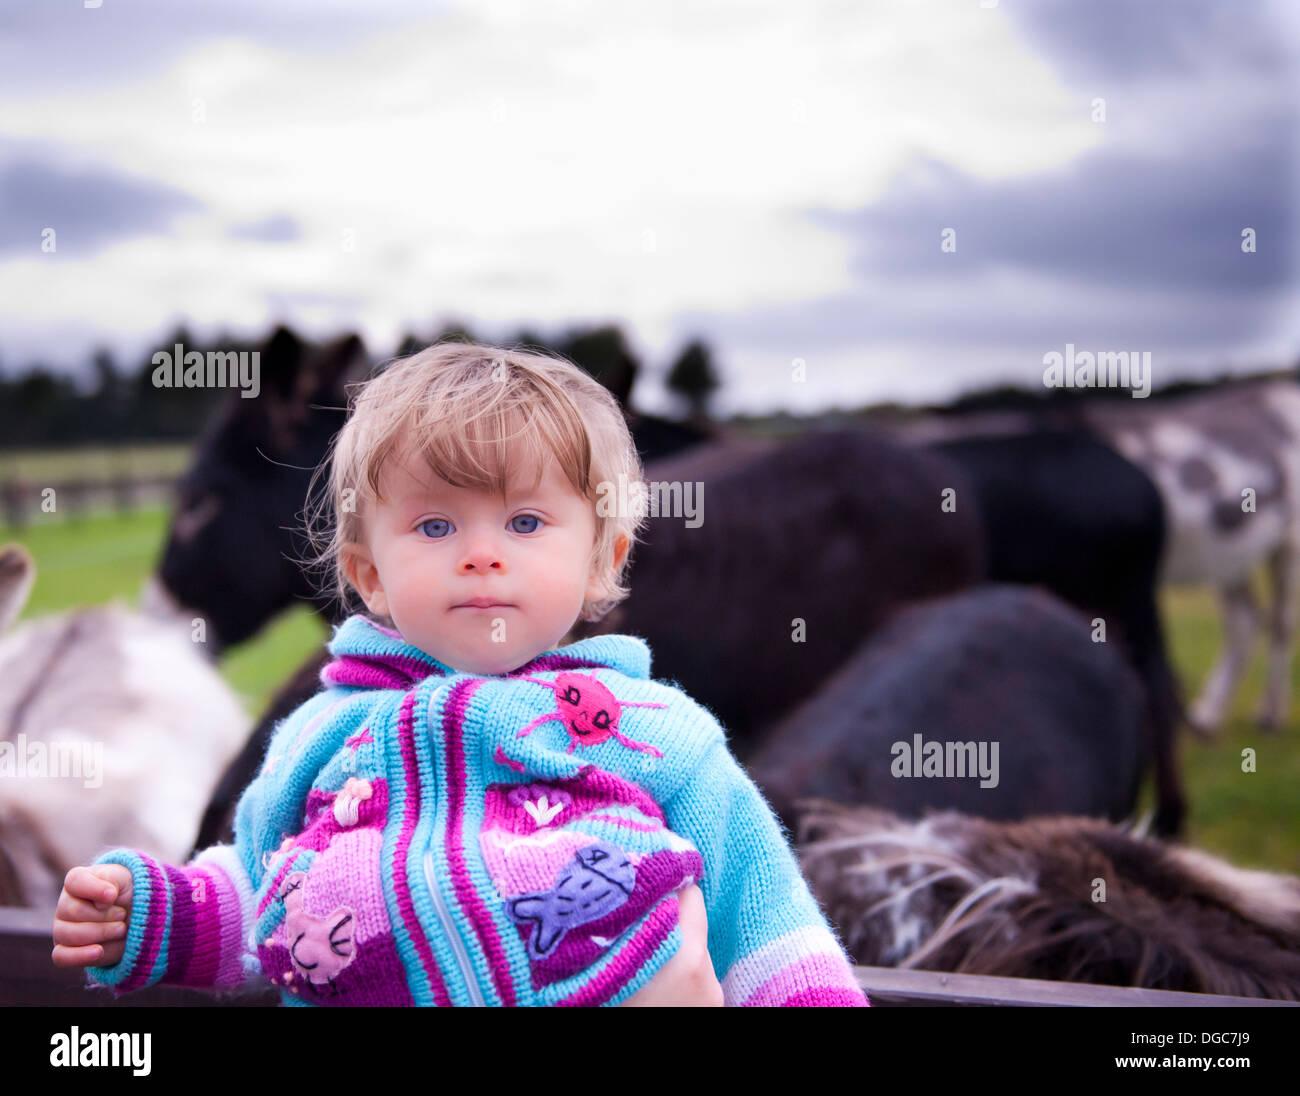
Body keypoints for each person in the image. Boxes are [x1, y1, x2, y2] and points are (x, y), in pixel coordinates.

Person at [52, 342, 868, 1007]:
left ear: (600, 562)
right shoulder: (318, 739)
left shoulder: (653, 737)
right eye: (435, 523)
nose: (482, 553)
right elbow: (260, 889)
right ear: (369, 575)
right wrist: (154, 918)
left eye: (524, 520)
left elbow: (770, 928)